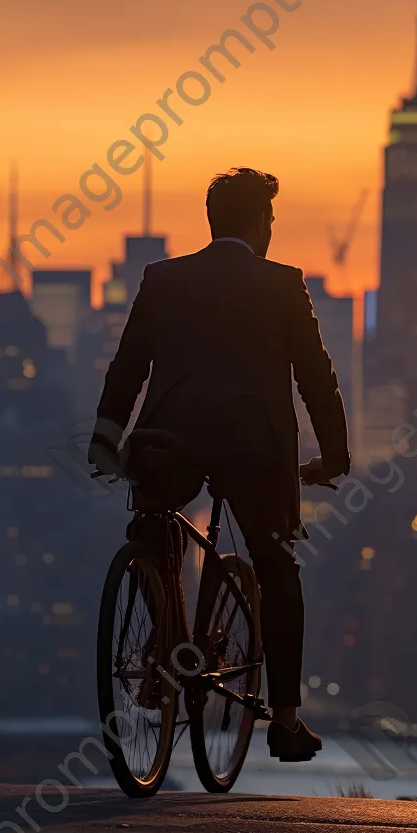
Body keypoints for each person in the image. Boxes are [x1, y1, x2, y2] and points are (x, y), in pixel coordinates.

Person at [89, 167, 350, 762]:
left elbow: (126, 369)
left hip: (169, 437)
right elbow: (318, 379)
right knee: (277, 568)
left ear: (212, 221)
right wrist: (333, 453)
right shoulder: (283, 285)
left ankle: (158, 643)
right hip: (253, 447)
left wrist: (105, 442)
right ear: (261, 223)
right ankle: (285, 721)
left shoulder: (164, 279)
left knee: (154, 521)